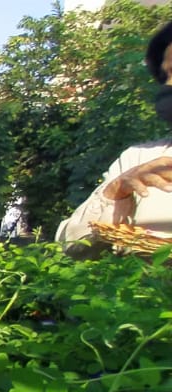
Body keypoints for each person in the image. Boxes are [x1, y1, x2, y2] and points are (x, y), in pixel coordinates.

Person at [56, 21, 172, 250]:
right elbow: (70, 246)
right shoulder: (139, 160)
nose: (168, 84)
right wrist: (116, 191)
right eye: (166, 75)